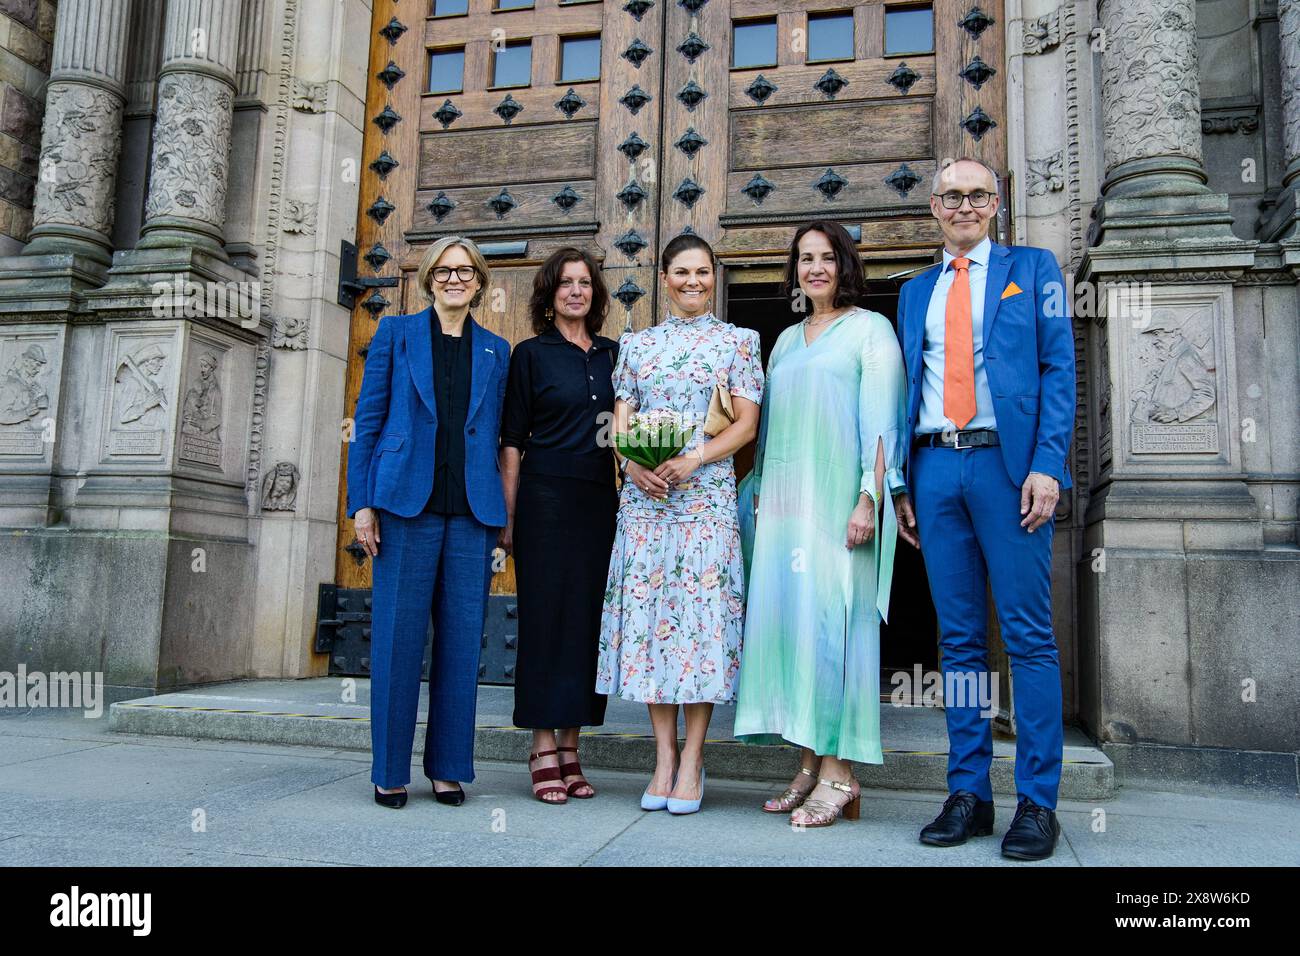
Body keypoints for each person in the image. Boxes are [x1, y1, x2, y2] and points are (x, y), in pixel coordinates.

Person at [897, 158, 1075, 859]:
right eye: (951, 196)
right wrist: (902, 484)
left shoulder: (1034, 270)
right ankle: (969, 792)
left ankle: (1037, 802)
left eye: (977, 195)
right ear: (934, 208)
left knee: (1028, 637)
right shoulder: (914, 291)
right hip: (936, 465)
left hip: (1011, 468)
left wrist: (1048, 465)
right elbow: (905, 384)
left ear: (995, 204)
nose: (964, 206)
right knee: (960, 639)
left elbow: (1058, 367)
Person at [734, 220, 911, 828]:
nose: (815, 269)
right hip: (785, 512)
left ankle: (842, 774)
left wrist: (869, 498)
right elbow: (772, 428)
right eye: (805, 259)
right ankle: (809, 764)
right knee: (797, 634)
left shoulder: (870, 330)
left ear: (844, 266)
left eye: (826, 258)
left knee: (836, 634)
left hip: (840, 508)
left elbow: (883, 422)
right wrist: (757, 496)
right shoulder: (784, 341)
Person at [597, 233, 763, 814]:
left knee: (699, 623)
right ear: (663, 278)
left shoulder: (739, 341)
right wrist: (630, 464)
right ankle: (662, 756)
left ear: (714, 276)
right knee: (651, 623)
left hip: (705, 499)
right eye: (681, 273)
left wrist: (696, 457)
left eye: (702, 272)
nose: (693, 282)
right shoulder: (636, 345)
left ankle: (694, 757)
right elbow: (621, 423)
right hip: (646, 503)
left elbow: (744, 425)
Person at [346, 235, 510, 809]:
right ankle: (388, 771)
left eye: (465, 271)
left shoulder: (496, 350)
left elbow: (496, 434)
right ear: (429, 279)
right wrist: (361, 502)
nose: (454, 279)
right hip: (403, 508)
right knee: (396, 641)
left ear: (480, 281)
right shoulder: (395, 334)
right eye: (444, 271)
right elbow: (368, 421)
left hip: (471, 513)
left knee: (462, 645)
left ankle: (447, 768)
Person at [499, 247, 618, 804]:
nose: (576, 291)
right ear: (549, 295)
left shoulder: (616, 356)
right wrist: (509, 513)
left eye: (585, 283)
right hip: (544, 501)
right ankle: (543, 746)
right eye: (566, 283)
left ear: (595, 293)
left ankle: (573, 747)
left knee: (586, 625)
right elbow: (512, 443)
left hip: (600, 503)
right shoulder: (530, 356)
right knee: (547, 624)